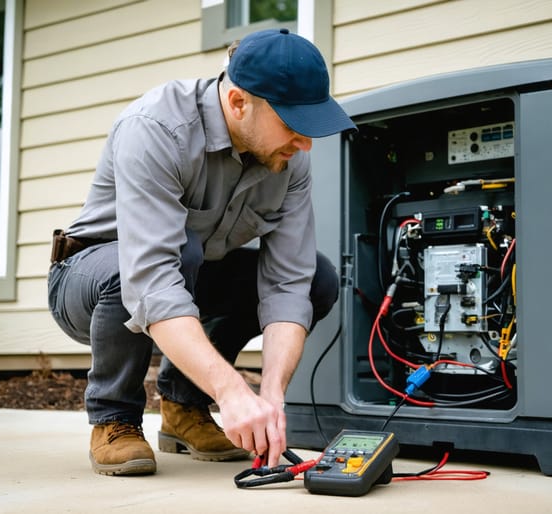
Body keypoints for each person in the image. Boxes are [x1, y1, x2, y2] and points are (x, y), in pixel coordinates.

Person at [47, 28, 356, 477]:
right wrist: (232, 393)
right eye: (293, 125)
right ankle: (113, 418)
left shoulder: (289, 161)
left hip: (187, 277)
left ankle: (183, 408)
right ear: (237, 103)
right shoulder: (156, 128)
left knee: (317, 280)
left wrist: (270, 395)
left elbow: (287, 283)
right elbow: (150, 278)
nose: (305, 143)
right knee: (180, 250)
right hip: (89, 281)